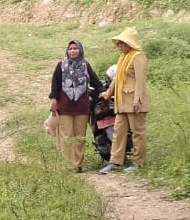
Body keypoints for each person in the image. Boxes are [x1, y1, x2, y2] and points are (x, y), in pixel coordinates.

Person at [98, 27, 148, 174]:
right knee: (118, 132)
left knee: (138, 133)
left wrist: (137, 100)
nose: (119, 45)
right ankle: (115, 161)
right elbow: (117, 79)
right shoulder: (122, 58)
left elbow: (140, 80)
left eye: (122, 43)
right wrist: (107, 93)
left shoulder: (138, 56)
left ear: (130, 43)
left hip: (134, 101)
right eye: (118, 43)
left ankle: (138, 162)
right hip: (121, 102)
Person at [49, 39, 102, 173]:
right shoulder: (61, 65)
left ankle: (78, 164)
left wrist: (104, 92)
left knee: (80, 137)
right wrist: (54, 100)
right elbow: (55, 84)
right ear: (67, 51)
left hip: (82, 106)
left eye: (75, 48)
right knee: (66, 136)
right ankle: (69, 164)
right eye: (70, 49)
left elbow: (96, 82)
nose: (72, 51)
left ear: (80, 50)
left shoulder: (85, 65)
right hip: (64, 106)